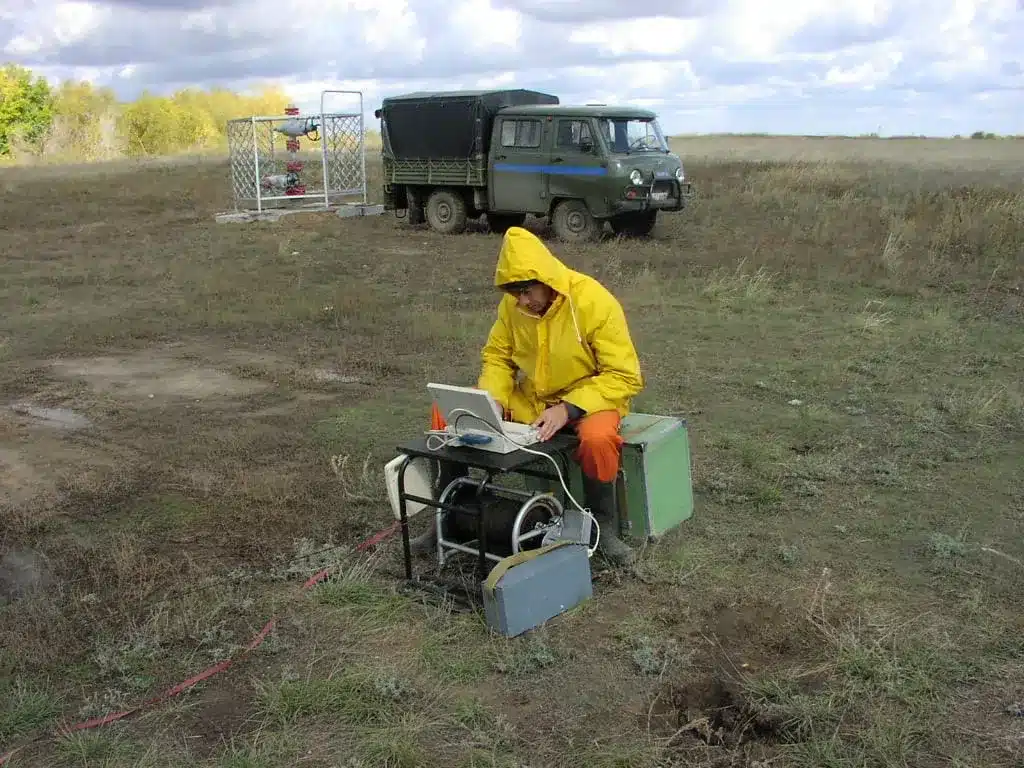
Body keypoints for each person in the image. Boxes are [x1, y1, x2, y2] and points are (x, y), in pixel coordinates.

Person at [415, 226, 644, 566]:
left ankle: (602, 527)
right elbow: (498, 357)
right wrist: (493, 399)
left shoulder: (594, 301)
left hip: (591, 401)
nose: (521, 301)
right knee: (448, 412)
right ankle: (448, 516)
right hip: (534, 401)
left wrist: (568, 409)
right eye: (514, 293)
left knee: (598, 439)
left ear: (546, 278)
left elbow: (624, 375)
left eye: (526, 291)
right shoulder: (513, 307)